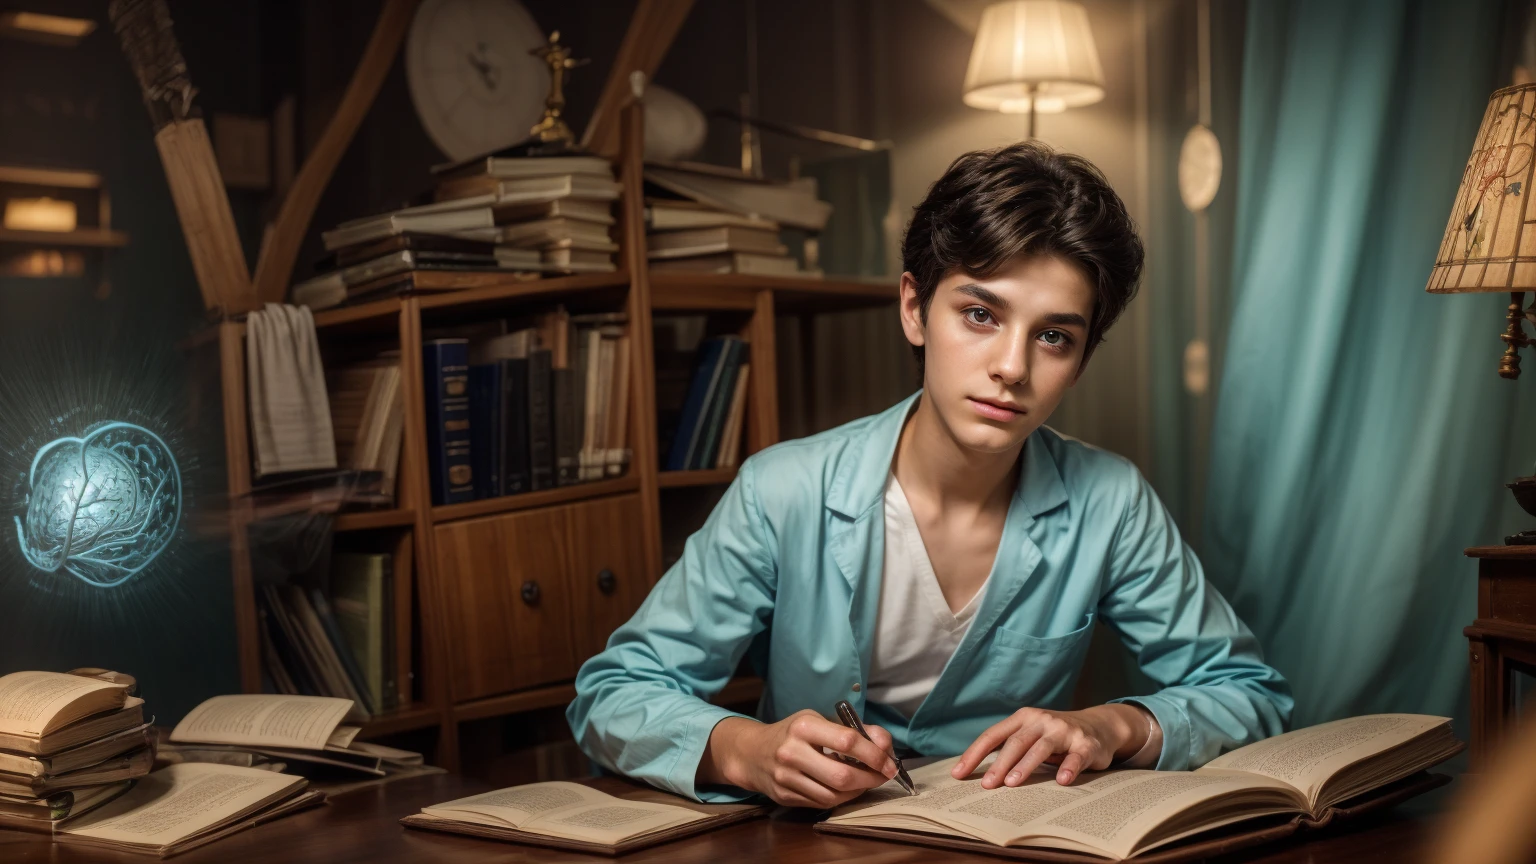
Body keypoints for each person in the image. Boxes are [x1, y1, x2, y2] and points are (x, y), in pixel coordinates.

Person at [567, 141, 1292, 807]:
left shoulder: (1111, 502)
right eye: (980, 313)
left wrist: (1116, 726)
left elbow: (1250, 694)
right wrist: (743, 749)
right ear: (915, 308)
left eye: (1053, 336)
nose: (1012, 368)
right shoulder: (783, 490)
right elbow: (612, 694)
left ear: (1081, 361)